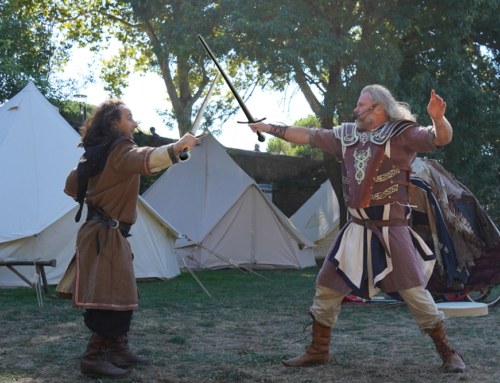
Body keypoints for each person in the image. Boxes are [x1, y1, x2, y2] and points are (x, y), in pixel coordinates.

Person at [249, 85, 466, 373]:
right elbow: (306, 135)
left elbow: (442, 138)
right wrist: (267, 127)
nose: (355, 110)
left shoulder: (402, 132)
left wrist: (438, 118)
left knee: (414, 292)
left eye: (360, 105)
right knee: (327, 288)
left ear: (377, 108)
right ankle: (318, 350)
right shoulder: (346, 136)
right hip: (355, 228)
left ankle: (448, 352)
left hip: (392, 229)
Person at [57, 99, 198, 379]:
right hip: (104, 234)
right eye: (129, 118)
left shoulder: (95, 154)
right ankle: (93, 357)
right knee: (110, 297)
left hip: (102, 232)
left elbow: (72, 187)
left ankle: (118, 349)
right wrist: (178, 146)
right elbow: (146, 158)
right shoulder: (120, 149)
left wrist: (100, 183)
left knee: (120, 292)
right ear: (114, 123)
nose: (135, 123)